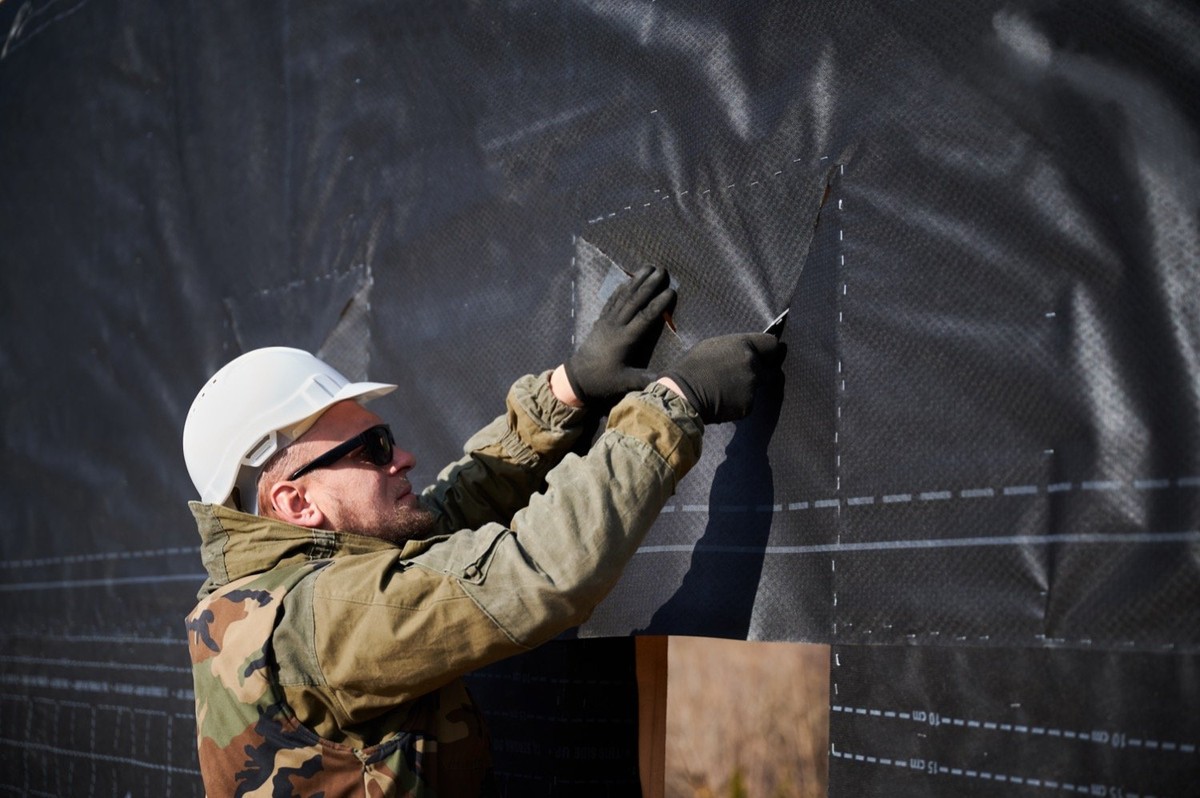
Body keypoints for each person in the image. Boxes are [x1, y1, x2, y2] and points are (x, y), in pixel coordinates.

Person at [181, 267, 784, 797]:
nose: (405, 457)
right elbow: (534, 572)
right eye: (374, 449)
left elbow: (442, 521)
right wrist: (673, 403)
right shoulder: (316, 620)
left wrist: (565, 393)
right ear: (295, 501)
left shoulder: (263, 594)